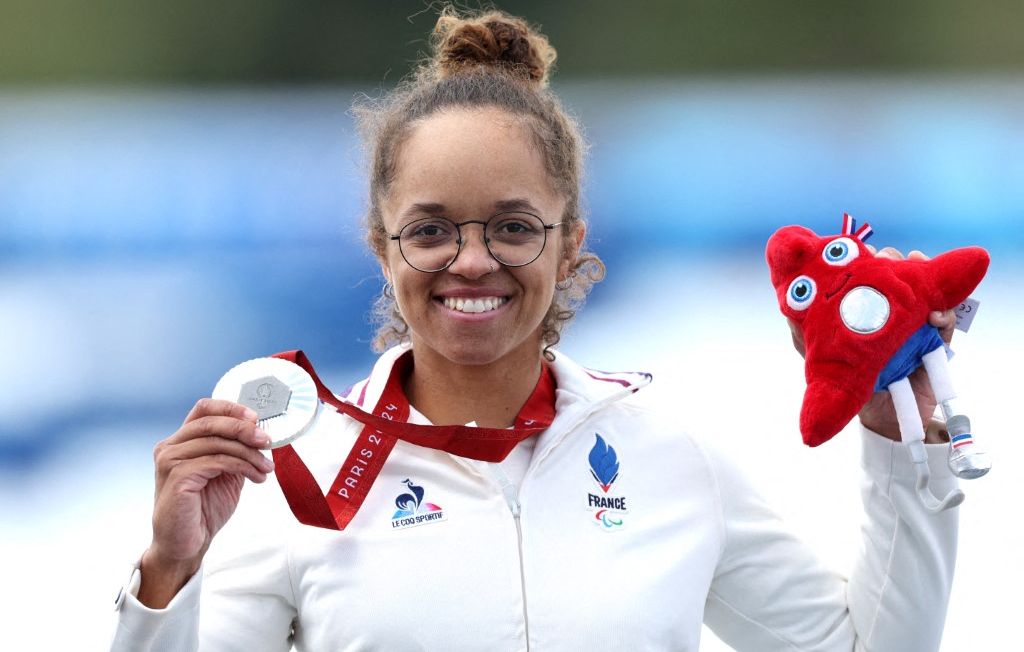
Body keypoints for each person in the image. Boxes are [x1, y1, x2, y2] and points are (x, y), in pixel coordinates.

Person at [111, 7, 961, 651]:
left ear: (570, 244)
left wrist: (901, 451)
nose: (472, 261)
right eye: (432, 229)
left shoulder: (670, 460)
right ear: (382, 247)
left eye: (513, 227)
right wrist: (168, 572)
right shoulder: (293, 478)